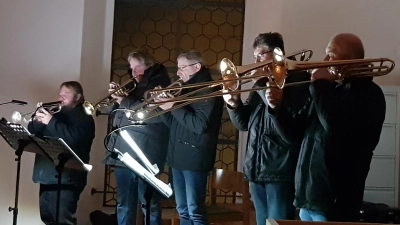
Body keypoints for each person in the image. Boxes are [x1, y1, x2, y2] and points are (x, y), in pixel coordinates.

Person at [293, 33, 386, 222]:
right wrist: (275, 108)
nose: (325, 60)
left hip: (335, 203)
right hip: (309, 198)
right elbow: (294, 133)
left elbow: (334, 125)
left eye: (331, 55)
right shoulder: (333, 90)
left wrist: (320, 84)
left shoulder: (369, 94)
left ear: (349, 59)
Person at [222, 32, 310, 225]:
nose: (256, 61)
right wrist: (233, 104)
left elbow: (290, 128)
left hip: (280, 170)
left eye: (261, 55)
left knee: (277, 222)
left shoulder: (298, 80)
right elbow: (244, 124)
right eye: (255, 57)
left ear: (277, 53)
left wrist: (260, 82)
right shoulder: (259, 83)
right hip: (256, 168)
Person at [154, 49, 224, 225]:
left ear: (197, 67)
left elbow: (200, 125)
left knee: (195, 210)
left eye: (182, 67)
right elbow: (176, 124)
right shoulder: (185, 89)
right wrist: (164, 108)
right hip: (178, 158)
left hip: (195, 159)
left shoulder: (209, 90)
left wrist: (173, 105)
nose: (178, 72)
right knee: (182, 210)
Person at [104, 49, 171, 225]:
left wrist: (123, 101)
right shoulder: (132, 85)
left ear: (149, 66)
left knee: (148, 203)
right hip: (123, 151)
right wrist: (114, 99)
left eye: (137, 67)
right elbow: (114, 113)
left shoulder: (161, 85)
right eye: (131, 68)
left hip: (146, 154)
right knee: (124, 203)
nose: (133, 72)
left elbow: (152, 114)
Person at [27, 81, 95, 225]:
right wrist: (38, 120)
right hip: (47, 175)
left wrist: (50, 121)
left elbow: (72, 139)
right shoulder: (56, 115)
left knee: (63, 221)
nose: (61, 98)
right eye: (60, 95)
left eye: (66, 94)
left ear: (78, 97)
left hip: (68, 178)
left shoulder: (84, 118)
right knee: (48, 219)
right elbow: (32, 131)